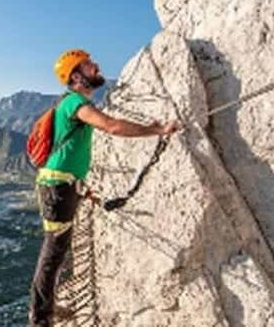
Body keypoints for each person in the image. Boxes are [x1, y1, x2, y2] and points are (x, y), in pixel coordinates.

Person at [29, 49, 179, 326]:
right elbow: (111, 126)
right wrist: (156, 130)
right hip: (58, 189)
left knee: (58, 249)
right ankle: (40, 319)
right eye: (89, 65)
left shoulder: (70, 104)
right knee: (53, 252)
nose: (96, 66)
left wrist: (80, 188)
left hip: (63, 187)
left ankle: (45, 309)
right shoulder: (75, 103)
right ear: (76, 76)